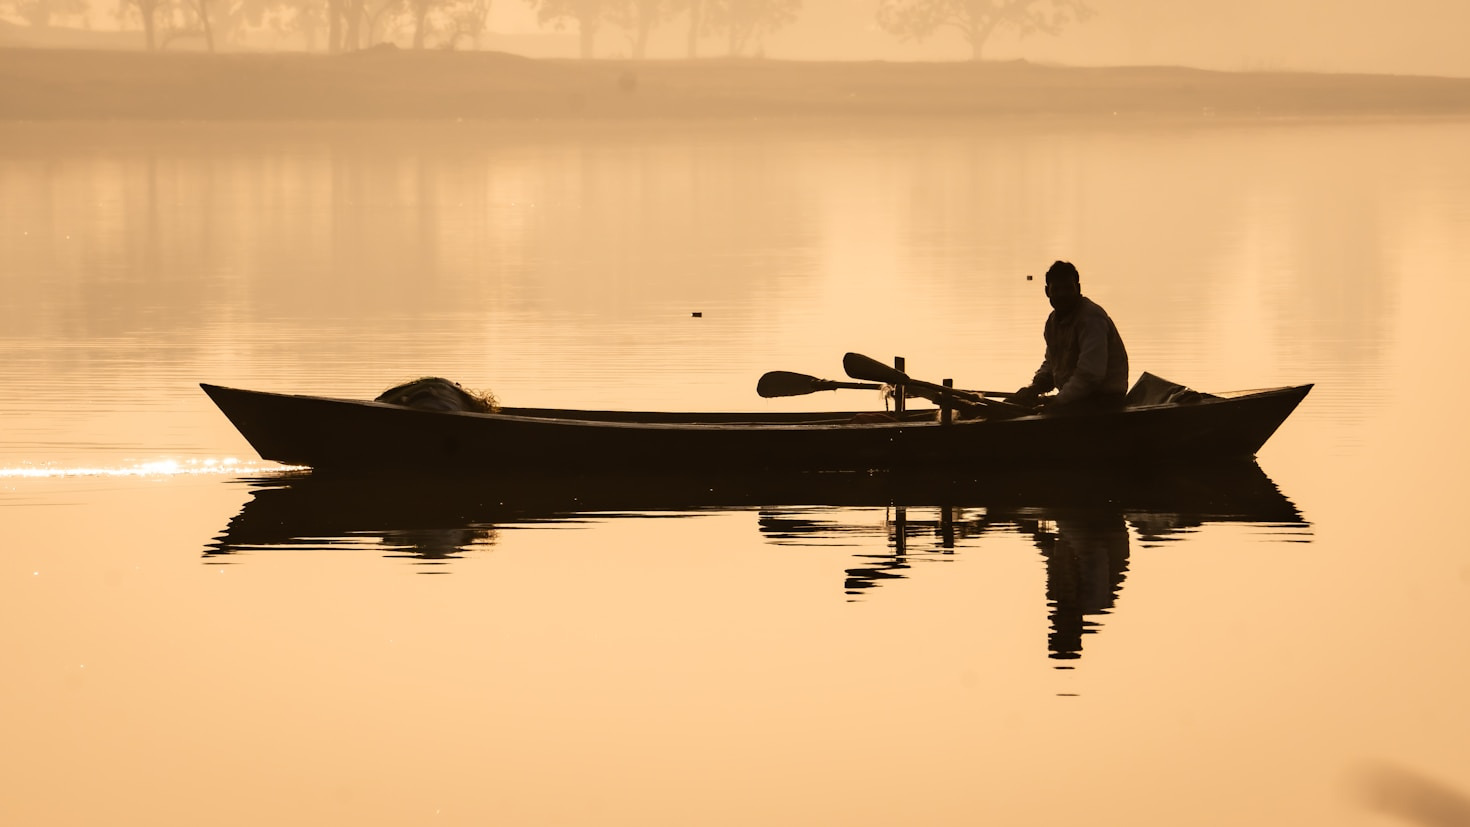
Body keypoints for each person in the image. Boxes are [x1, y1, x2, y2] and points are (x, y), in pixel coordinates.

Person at [1006, 261, 1129, 414]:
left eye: (1067, 288)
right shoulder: (1052, 322)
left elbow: (1090, 376)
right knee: (1011, 405)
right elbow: (1052, 364)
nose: (1062, 294)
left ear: (1078, 289)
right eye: (1056, 289)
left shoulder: (1091, 318)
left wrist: (1058, 402)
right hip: (1077, 398)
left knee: (1041, 414)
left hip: (1105, 401)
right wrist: (1034, 388)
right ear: (1047, 292)